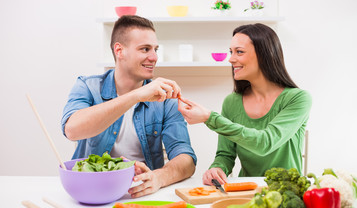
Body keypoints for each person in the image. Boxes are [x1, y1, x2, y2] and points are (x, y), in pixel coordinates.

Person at [61, 15, 196, 197]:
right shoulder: (88, 87)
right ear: (119, 50)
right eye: (145, 49)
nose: (154, 57)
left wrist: (159, 178)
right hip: (93, 192)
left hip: (143, 193)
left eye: (155, 49)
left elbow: (186, 158)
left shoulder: (165, 99)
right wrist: (136, 96)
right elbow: (72, 130)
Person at [178, 23, 311, 185]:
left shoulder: (297, 99)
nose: (231, 59)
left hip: (287, 193)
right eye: (231, 52)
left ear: (264, 55)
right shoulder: (232, 102)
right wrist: (217, 168)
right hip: (247, 192)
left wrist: (209, 117)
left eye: (239, 52)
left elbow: (265, 143)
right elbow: (225, 155)